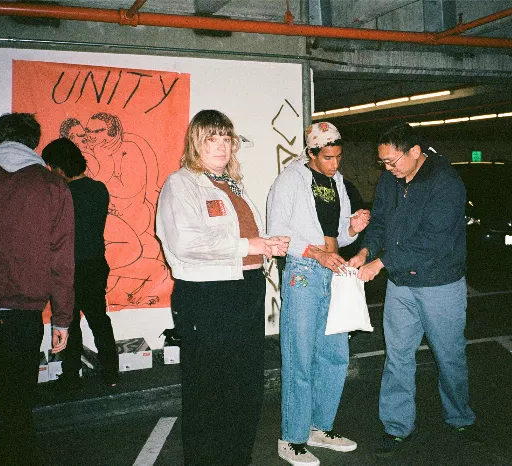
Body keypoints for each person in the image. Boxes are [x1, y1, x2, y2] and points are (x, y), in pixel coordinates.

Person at [156, 109, 289, 465]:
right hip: (206, 296)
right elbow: (184, 243)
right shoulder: (181, 183)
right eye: (211, 138)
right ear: (195, 143)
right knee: (207, 391)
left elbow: (238, 237)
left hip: (244, 290)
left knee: (245, 387)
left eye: (226, 138)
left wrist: (266, 245)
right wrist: (252, 246)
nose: (220, 146)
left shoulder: (232, 185)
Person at [348, 123, 478, 456]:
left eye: (392, 161)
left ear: (415, 151)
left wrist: (379, 264)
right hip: (401, 286)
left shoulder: (446, 183)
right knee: (398, 357)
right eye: (383, 163)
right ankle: (396, 426)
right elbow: (379, 222)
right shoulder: (391, 181)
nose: (387, 168)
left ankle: (460, 417)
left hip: (440, 284)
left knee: (449, 356)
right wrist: (365, 251)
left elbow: (432, 241)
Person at [0, 113, 74, 465]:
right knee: (17, 404)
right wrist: (62, 319)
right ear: (34, 142)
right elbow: (61, 260)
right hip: (23, 315)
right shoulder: (54, 186)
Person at [267, 121, 370, 466]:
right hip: (304, 273)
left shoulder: (337, 181)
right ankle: (292, 438)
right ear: (311, 153)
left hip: (333, 272)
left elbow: (338, 236)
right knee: (300, 356)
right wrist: (318, 254)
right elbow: (278, 237)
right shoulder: (289, 181)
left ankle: (319, 428)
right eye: (327, 157)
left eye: (338, 157)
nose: (335, 164)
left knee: (335, 354)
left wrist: (352, 228)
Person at [42, 137, 119, 388]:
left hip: (69, 266)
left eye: (51, 167)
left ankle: (71, 375)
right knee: (99, 318)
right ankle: (111, 374)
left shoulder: (61, 194)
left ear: (60, 169)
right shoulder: (99, 188)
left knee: (69, 321)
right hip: (96, 262)